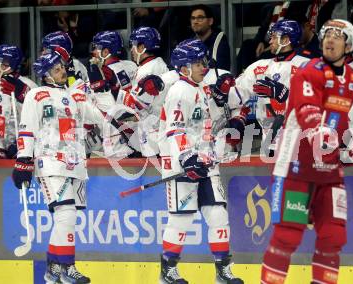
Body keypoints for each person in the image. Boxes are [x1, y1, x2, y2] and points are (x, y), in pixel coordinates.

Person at [262, 19, 353, 284]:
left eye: (338, 36)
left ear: (348, 44)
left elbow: (350, 121)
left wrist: (352, 143)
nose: (330, 39)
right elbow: (309, 115)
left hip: (329, 173)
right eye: (327, 34)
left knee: (333, 237)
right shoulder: (308, 71)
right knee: (287, 236)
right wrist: (333, 142)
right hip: (297, 168)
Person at [11, 52, 113, 284]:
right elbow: (27, 130)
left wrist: (100, 85)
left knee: (68, 218)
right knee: (65, 214)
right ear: (45, 74)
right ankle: (67, 267)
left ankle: (53, 268)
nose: (63, 71)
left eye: (63, 68)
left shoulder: (75, 96)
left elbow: (104, 115)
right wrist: (23, 160)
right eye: (56, 69)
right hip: (50, 163)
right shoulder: (36, 96)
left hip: (76, 165)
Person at [158, 39, 243, 284]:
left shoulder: (202, 88)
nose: (203, 67)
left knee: (218, 215)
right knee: (181, 219)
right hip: (182, 164)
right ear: (183, 67)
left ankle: (223, 270)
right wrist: (187, 158)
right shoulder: (179, 91)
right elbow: (175, 130)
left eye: (204, 62)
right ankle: (168, 271)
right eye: (197, 63)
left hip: (206, 163)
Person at [232, 20, 310, 155]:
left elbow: (317, 104)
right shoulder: (259, 67)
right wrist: (222, 92)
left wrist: (286, 95)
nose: (270, 41)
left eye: (274, 37)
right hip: (268, 141)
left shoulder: (306, 66)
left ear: (285, 39)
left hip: (300, 140)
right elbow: (238, 94)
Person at [0, 44, 37, 159]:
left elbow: (38, 122)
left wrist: (20, 144)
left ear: (6, 64)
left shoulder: (29, 86)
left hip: (19, 150)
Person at [119, 26, 168, 157]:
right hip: (158, 125)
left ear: (142, 47)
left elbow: (135, 107)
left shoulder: (146, 70)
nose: (132, 50)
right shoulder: (158, 63)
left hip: (152, 129)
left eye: (133, 46)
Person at [190, 4, 231, 71]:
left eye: (200, 18)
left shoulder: (219, 40)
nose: (195, 21)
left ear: (210, 21)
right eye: (193, 18)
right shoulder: (189, 42)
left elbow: (220, 71)